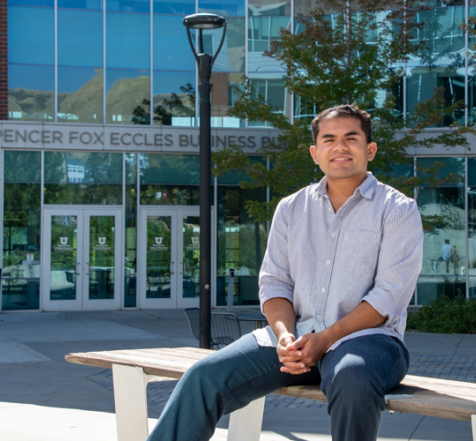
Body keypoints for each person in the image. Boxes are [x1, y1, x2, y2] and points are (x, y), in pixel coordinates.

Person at [146, 104, 424, 441]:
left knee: (353, 378)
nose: (340, 147)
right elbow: (275, 283)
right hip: (295, 341)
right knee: (204, 375)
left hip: (369, 343)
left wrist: (324, 339)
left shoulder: (398, 210)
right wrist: (284, 338)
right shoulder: (292, 208)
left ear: (370, 150)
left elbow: (388, 297)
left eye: (351, 138)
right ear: (315, 153)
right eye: (329, 139)